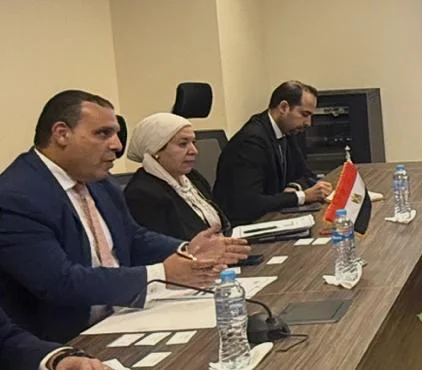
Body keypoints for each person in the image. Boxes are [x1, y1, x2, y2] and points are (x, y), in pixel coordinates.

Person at [0, 91, 250, 342]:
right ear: (62, 133)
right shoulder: (16, 196)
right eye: (103, 133)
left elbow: (132, 237)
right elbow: (60, 282)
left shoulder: (99, 181)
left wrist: (187, 249)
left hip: (124, 318)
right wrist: (160, 273)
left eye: (116, 134)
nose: (118, 145)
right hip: (67, 341)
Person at [213, 81, 333, 225]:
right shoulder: (251, 141)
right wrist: (302, 196)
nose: (308, 123)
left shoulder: (287, 131)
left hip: (273, 216)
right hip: (246, 224)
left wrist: (295, 187)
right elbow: (249, 203)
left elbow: (305, 174)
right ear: (283, 107)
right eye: (304, 114)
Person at [122, 113, 231, 241]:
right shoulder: (142, 195)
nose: (194, 151)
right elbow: (164, 247)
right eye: (183, 144)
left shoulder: (193, 177)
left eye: (193, 142)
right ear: (155, 150)